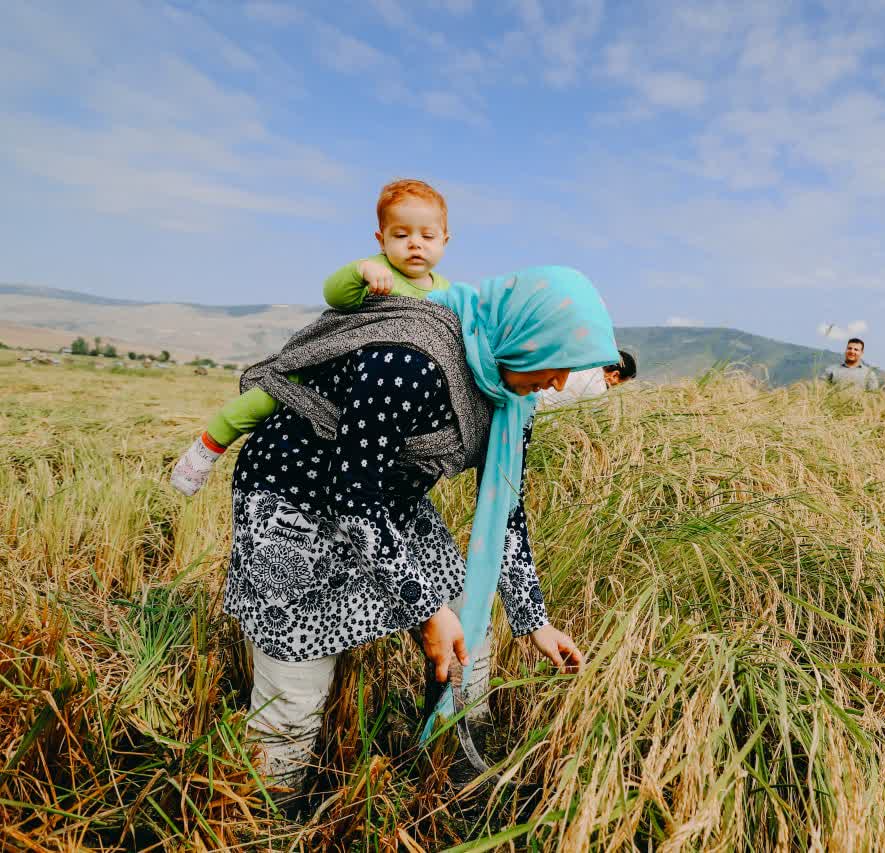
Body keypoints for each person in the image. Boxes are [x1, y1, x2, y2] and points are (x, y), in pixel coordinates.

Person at [220, 266, 619, 792]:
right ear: (524, 338)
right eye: (556, 364)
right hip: (296, 500)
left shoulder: (512, 395)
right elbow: (352, 494)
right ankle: (270, 807)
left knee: (465, 624)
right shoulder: (412, 360)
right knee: (298, 676)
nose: (559, 383)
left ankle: (453, 767)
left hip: (387, 498)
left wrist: (533, 621)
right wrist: (424, 610)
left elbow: (507, 511)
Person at [171, 179, 452, 496]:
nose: (415, 244)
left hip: (375, 388)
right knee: (269, 397)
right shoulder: (375, 269)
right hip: (329, 366)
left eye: (427, 236)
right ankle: (207, 448)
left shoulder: (446, 292)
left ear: (444, 239)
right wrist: (360, 272)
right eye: (401, 235)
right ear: (381, 240)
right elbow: (335, 295)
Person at [537, 349, 637, 409]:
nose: (617, 388)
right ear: (614, 375)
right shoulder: (599, 391)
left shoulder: (582, 362)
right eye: (622, 384)